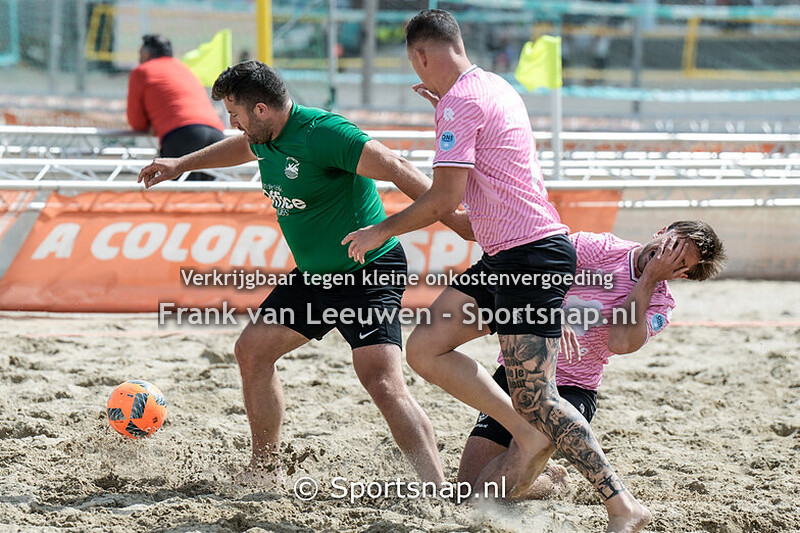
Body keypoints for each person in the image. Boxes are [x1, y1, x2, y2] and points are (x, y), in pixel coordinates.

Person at [342, 9, 650, 532]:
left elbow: (444, 199)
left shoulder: (461, 103)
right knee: (425, 348)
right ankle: (525, 434)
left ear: (420, 55)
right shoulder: (493, 87)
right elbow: (474, 191)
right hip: (504, 258)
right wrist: (448, 113)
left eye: (414, 64)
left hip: (531, 259)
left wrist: (381, 230)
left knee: (539, 397)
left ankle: (621, 504)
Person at [138, 60, 471, 486]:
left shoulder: (323, 134)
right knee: (252, 351)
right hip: (315, 276)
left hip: (367, 271)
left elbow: (395, 165)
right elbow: (243, 147)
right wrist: (180, 163)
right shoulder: (263, 137)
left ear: (262, 110)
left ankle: (436, 489)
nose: (230, 122)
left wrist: (455, 218)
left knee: (382, 382)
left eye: (235, 113)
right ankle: (265, 468)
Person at [458, 221, 726, 499]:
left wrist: (649, 278)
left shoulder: (660, 304)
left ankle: (534, 475)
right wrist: (549, 313)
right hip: (520, 368)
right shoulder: (598, 247)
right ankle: (553, 481)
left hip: (573, 389)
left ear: (681, 274)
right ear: (660, 232)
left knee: (492, 489)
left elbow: (620, 342)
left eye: (679, 260)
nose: (666, 255)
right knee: (467, 491)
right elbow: (529, 275)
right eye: (672, 244)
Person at [127, 34, 225, 180]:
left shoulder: (142, 71)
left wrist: (154, 124)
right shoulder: (184, 69)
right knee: (206, 196)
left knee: (176, 196)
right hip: (216, 134)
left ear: (146, 54)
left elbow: (136, 122)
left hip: (182, 134)